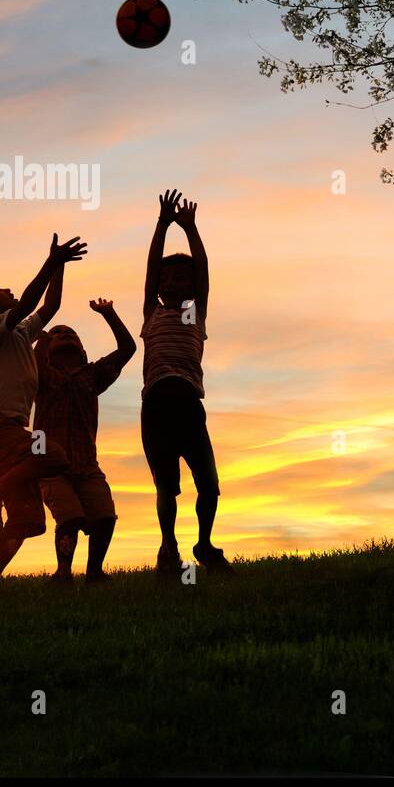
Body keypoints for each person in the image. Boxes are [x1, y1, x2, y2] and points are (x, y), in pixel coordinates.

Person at [0, 234, 87, 578]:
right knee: (54, 456)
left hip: (4, 431)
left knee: (28, 521)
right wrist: (51, 262)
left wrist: (60, 267)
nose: (7, 289)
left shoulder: (19, 334)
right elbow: (27, 302)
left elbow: (49, 307)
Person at [141, 190, 230, 575]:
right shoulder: (151, 313)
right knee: (166, 486)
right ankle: (168, 546)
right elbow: (148, 270)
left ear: (193, 288)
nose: (172, 280)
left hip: (189, 406)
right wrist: (162, 224)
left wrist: (191, 229)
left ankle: (204, 543)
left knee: (208, 485)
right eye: (167, 276)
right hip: (156, 407)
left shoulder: (195, 313)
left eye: (182, 276)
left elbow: (204, 269)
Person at [33, 298, 136, 583]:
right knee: (69, 517)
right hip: (50, 467)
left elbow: (127, 349)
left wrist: (109, 313)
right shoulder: (41, 374)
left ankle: (94, 571)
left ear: (83, 350)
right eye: (57, 334)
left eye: (71, 334)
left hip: (87, 466)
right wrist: (40, 337)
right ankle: (63, 571)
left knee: (104, 516)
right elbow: (32, 360)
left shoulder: (92, 374)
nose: (64, 334)